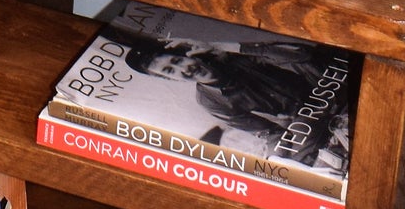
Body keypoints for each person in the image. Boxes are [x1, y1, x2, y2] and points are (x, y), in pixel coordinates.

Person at [123, 35, 332, 159]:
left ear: (185, 55)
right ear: (173, 80)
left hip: (325, 85)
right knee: (292, 160)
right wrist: (279, 159)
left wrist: (227, 47)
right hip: (307, 117)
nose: (185, 70)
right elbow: (268, 132)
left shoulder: (232, 55)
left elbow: (302, 56)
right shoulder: (209, 101)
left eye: (177, 62)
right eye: (171, 71)